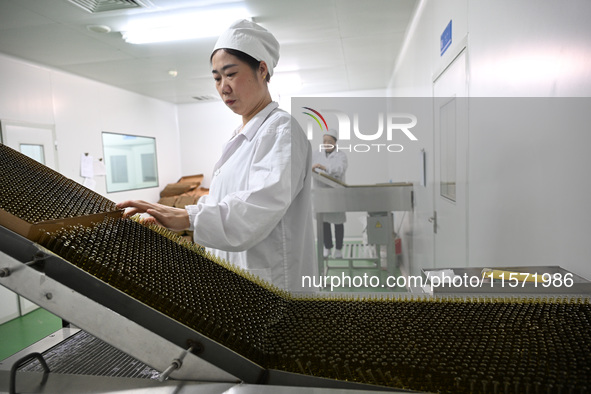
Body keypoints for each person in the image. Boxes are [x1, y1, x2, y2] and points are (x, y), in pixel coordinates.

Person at [117, 19, 316, 291]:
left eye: (231, 73)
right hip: (240, 279)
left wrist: (188, 217)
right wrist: (179, 220)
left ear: (262, 69)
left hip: (273, 283)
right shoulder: (241, 135)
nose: (223, 86)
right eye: (216, 78)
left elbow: (254, 210)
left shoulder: (281, 130)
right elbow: (224, 202)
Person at [312, 129, 348, 259]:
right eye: (324, 141)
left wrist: (324, 167)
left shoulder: (341, 156)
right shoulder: (316, 154)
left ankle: (338, 249)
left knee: (338, 222)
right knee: (324, 222)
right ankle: (327, 247)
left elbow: (340, 169)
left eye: (329, 141)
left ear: (335, 142)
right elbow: (309, 166)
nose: (326, 143)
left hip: (336, 195)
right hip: (321, 194)